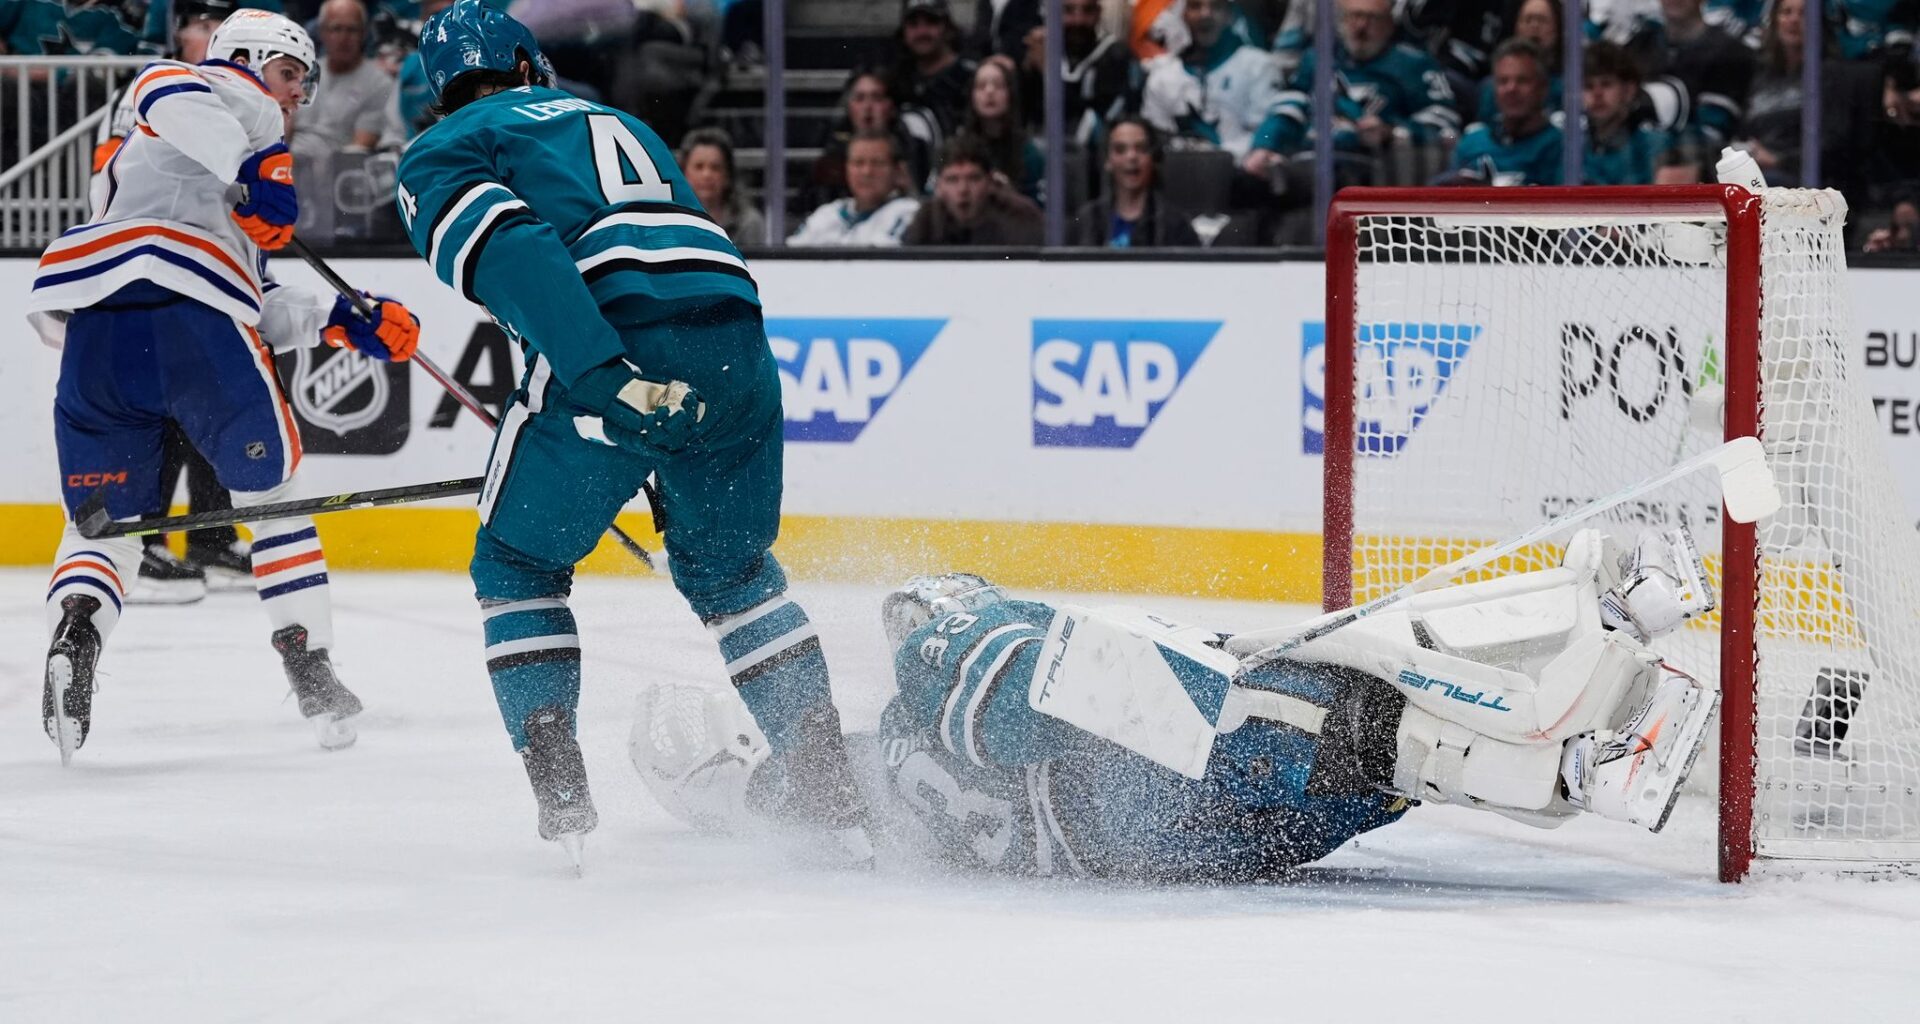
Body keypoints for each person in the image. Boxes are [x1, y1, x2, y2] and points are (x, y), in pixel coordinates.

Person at [393, 0, 871, 865]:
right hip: (737, 345)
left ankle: (562, 795)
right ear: (532, 64)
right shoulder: (615, 120)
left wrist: (608, 381)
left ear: (441, 95)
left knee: (518, 563)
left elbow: (513, 245)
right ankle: (824, 775)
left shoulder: (445, 145)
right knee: (734, 576)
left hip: (613, 346)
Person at [634, 527, 1721, 880]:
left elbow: (815, 780)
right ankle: (1575, 755)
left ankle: (1575, 751)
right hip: (1125, 796)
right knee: (1325, 715)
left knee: (1358, 743)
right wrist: (956, 633)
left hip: (1168, 844)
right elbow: (1007, 694)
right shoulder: (925, 695)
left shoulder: (863, 813)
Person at [23, 9, 422, 764]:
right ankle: (309, 664)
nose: (297, 95)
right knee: (271, 498)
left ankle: (77, 631)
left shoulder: (169, 170)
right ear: (248, 58)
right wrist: (254, 161)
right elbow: (163, 82)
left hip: (99, 341)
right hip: (194, 330)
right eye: (291, 72)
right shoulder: (221, 97)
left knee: (102, 523)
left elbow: (255, 297)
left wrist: (344, 318)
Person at [1252, 0, 1457, 169]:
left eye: (1371, 18)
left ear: (1389, 23)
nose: (1361, 26)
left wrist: (1392, 133)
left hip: (1377, 171)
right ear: (1340, 19)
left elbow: (1446, 128)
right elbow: (1288, 108)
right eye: (1354, 16)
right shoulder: (1317, 58)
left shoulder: (1415, 64)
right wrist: (1265, 145)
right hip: (1310, 164)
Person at [1139, 0, 1286, 161]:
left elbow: (1265, 134)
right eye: (1195, 6)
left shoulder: (1259, 66)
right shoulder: (1162, 77)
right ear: (1183, 14)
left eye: (1216, 6)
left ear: (1229, 15)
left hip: (1243, 177)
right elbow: (1155, 141)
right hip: (1181, 177)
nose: (1205, 14)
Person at [804, 69, 934, 211]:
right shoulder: (832, 153)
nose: (867, 107)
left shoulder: (913, 147)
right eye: (859, 98)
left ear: (891, 106)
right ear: (849, 106)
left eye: (877, 98)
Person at [290, 0, 401, 163]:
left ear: (363, 34)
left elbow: (359, 149)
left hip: (338, 172)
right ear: (322, 32)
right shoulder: (306, 73)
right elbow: (284, 131)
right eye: (336, 29)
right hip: (290, 166)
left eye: (352, 30)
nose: (344, 38)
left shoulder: (379, 83)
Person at [1069, 115, 1200, 247]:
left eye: (1141, 148)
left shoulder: (1176, 225)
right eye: (1120, 149)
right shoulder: (1087, 221)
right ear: (1107, 161)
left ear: (1153, 158)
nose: (1131, 157)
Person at [1446, 40, 1564, 185]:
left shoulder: (1561, 147)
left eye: (1522, 81)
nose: (1511, 89)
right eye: (1503, 81)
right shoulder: (1471, 143)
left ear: (1543, 88)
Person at [902, 135, 1044, 245]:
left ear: (990, 183)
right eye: (953, 180)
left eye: (973, 178)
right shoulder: (926, 222)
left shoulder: (1020, 218)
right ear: (939, 186)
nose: (963, 190)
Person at [788, 131, 922, 247]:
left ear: (897, 170)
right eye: (858, 163)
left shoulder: (907, 212)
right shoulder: (828, 213)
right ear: (846, 169)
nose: (866, 172)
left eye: (877, 163)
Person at [1582, 41, 1671, 186]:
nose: (1597, 94)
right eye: (1588, 86)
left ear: (1629, 90)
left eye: (1606, 84)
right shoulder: (1572, 146)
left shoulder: (1653, 143)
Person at [961, 57, 1045, 202]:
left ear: (1010, 95)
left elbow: (1041, 209)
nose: (989, 91)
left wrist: (1010, 195)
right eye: (981, 86)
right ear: (972, 96)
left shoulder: (1029, 152)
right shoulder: (957, 148)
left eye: (999, 86)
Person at [890, 0, 976, 137]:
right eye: (913, 24)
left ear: (947, 28)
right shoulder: (896, 80)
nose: (922, 32)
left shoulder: (971, 78)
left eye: (931, 22)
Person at [678, 127, 766, 247]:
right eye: (699, 167)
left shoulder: (748, 223)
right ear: (683, 173)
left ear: (728, 175)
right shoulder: (667, 221)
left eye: (715, 167)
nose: (707, 175)